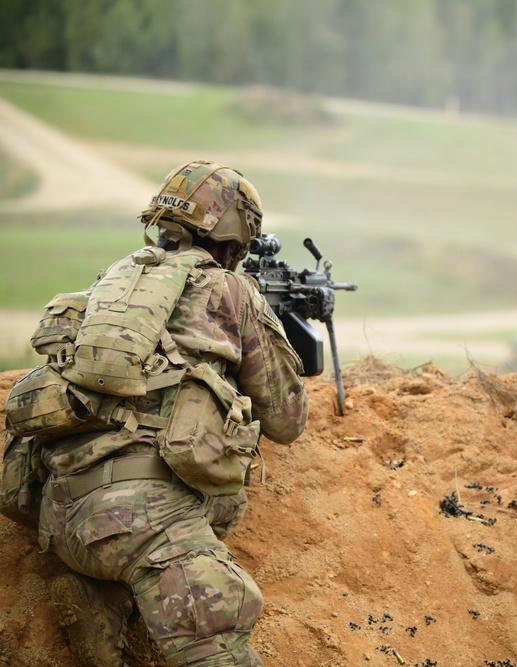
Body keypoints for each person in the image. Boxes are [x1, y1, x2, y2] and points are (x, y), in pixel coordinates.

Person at [33, 160, 309, 666]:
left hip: (59, 516)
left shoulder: (113, 283)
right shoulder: (231, 291)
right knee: (219, 642)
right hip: (146, 522)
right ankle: (137, 580)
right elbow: (287, 420)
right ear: (234, 235)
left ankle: (104, 597)